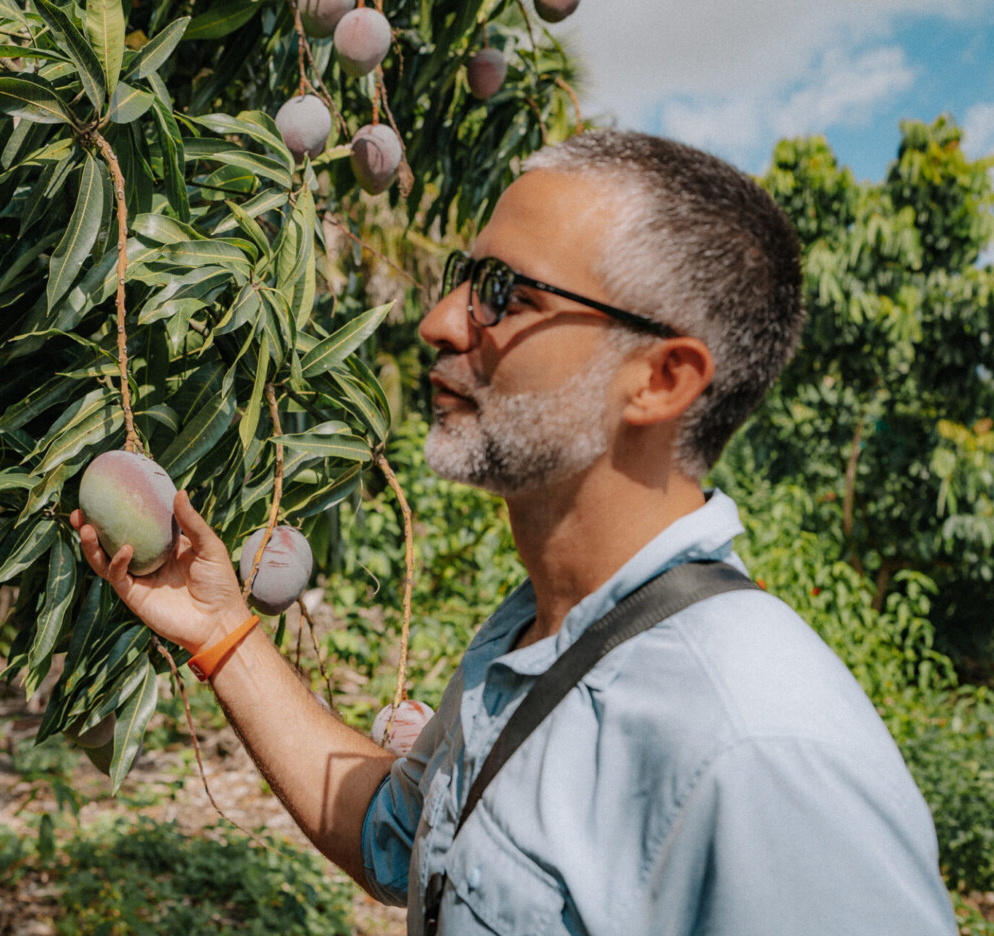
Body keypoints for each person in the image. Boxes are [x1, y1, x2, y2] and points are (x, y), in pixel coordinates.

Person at [70, 130, 957, 935]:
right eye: (464, 277)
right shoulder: (540, 630)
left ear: (660, 378)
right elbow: (397, 839)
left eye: (505, 294)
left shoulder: (760, 748)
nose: (440, 322)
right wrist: (220, 630)